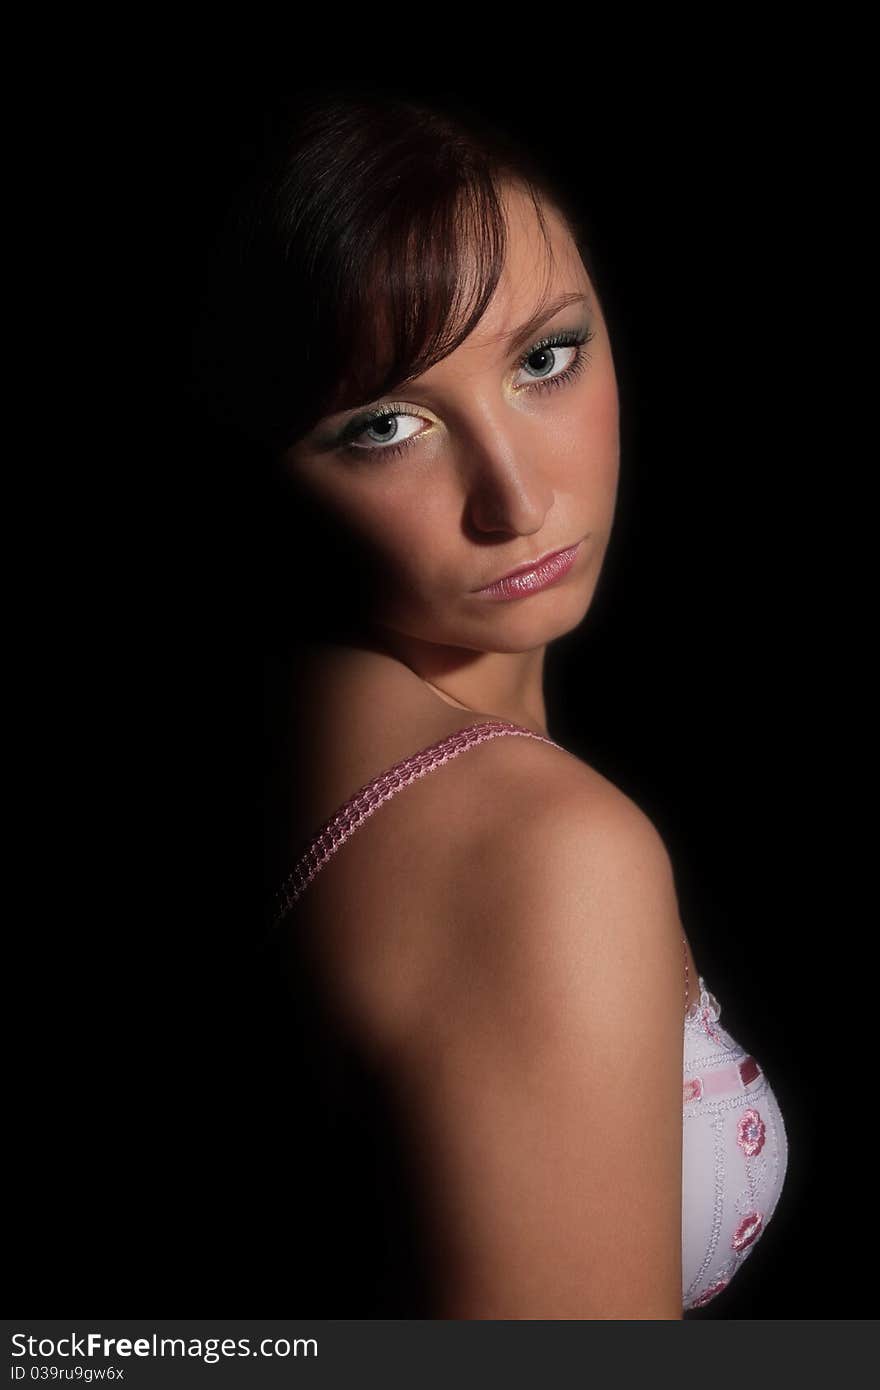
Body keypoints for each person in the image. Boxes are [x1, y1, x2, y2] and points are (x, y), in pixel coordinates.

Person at [190, 82, 788, 1319]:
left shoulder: (299, 732)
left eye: (545, 358)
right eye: (386, 425)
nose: (513, 497)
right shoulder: (541, 855)